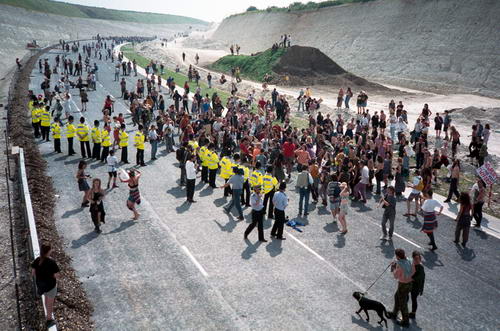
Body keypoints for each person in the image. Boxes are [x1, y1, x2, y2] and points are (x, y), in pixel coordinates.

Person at [31, 244, 60, 327]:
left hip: (41, 286)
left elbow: (33, 273)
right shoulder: (52, 262)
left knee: (46, 298)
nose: (52, 250)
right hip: (50, 286)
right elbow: (56, 275)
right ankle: (49, 319)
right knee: (50, 302)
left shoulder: (37, 260)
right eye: (51, 249)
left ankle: (47, 312)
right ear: (48, 251)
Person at [387, 248, 415, 327]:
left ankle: (405, 321)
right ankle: (394, 313)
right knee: (397, 297)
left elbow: (396, 276)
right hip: (410, 283)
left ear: (398, 256)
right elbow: (412, 270)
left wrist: (393, 267)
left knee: (403, 303)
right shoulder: (409, 260)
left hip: (403, 285)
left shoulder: (399, 265)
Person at [409, 251, 425, 319]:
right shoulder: (413, 264)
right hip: (411, 285)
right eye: (415, 259)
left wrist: (411, 278)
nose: (416, 260)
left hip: (416, 287)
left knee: (414, 299)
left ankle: (413, 313)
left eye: (418, 259)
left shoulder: (420, 267)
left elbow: (420, 277)